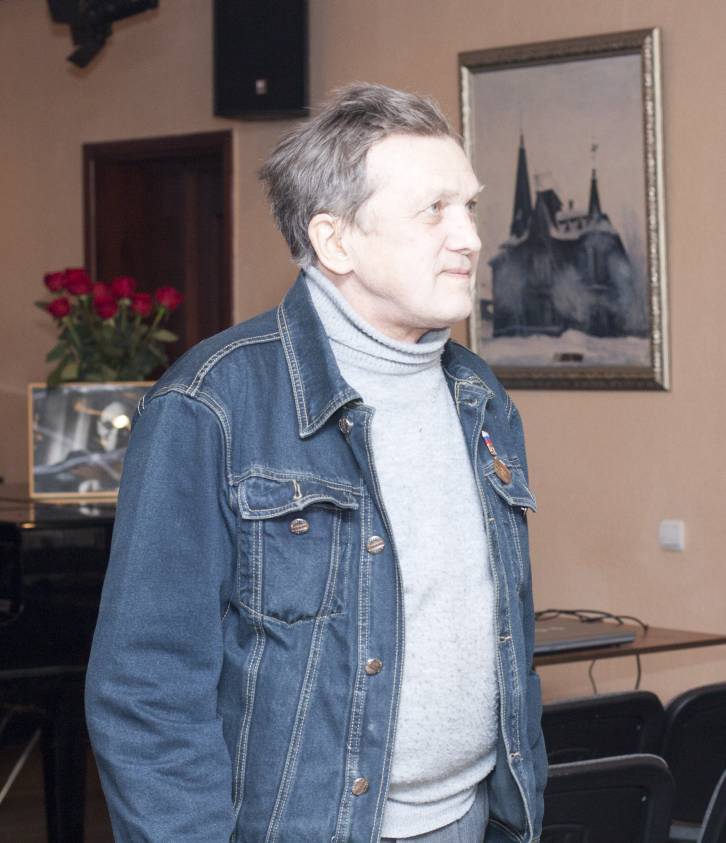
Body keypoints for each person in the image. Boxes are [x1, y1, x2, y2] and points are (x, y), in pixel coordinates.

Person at [85, 83, 546, 843]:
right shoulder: (211, 403)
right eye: (434, 210)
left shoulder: (479, 396)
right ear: (335, 241)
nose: (469, 237)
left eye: (469, 206)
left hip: (474, 820)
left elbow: (507, 636)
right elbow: (147, 690)